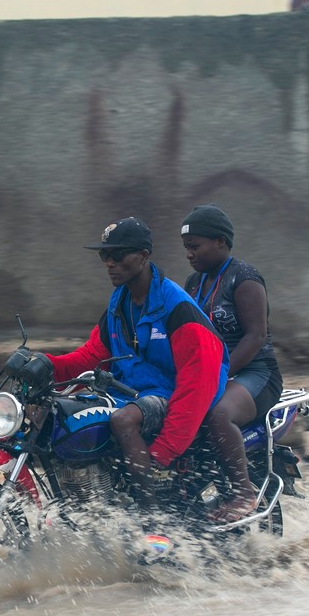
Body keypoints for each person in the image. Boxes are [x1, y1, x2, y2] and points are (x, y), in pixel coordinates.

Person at [45, 217, 235, 511]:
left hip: (169, 394)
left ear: (144, 257)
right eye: (104, 256)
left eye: (118, 255)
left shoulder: (177, 308)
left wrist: (163, 453)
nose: (110, 263)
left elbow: (198, 384)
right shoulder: (119, 304)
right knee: (61, 413)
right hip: (131, 391)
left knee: (123, 420)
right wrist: (45, 365)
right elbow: (91, 357)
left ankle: (151, 516)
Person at [180, 204, 284, 520]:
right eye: (186, 248)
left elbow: (255, 336)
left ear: (221, 242)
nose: (189, 255)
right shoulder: (193, 283)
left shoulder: (244, 278)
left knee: (218, 413)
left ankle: (244, 494)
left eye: (195, 247)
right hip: (212, 374)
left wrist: (220, 374)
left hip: (255, 372)